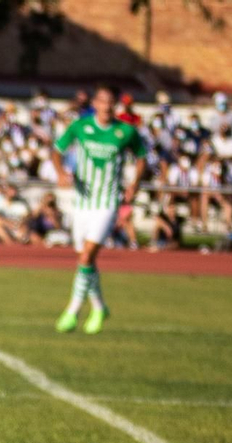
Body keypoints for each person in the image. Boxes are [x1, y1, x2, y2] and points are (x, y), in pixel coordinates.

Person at [50, 84, 149, 335]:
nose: (106, 106)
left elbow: (141, 157)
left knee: (86, 257)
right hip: (81, 203)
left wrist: (134, 184)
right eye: (102, 101)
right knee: (85, 260)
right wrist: (61, 173)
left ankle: (72, 311)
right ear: (94, 103)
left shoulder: (125, 131)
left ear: (115, 105)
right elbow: (57, 151)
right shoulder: (80, 127)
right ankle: (99, 306)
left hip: (107, 203)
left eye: (110, 102)